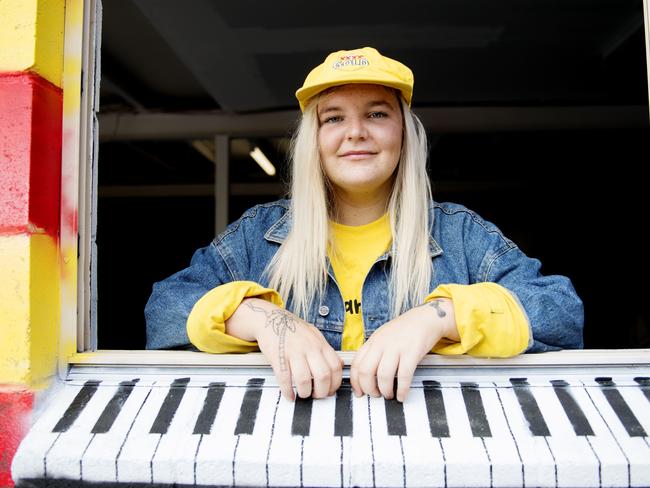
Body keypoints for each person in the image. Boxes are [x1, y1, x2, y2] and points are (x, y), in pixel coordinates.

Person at [145, 47, 583, 403]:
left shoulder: (460, 234)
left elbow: (561, 315)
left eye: (376, 114)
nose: (355, 132)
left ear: (404, 133)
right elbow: (164, 311)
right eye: (333, 117)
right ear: (313, 140)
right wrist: (264, 318)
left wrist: (437, 317)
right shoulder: (257, 235)